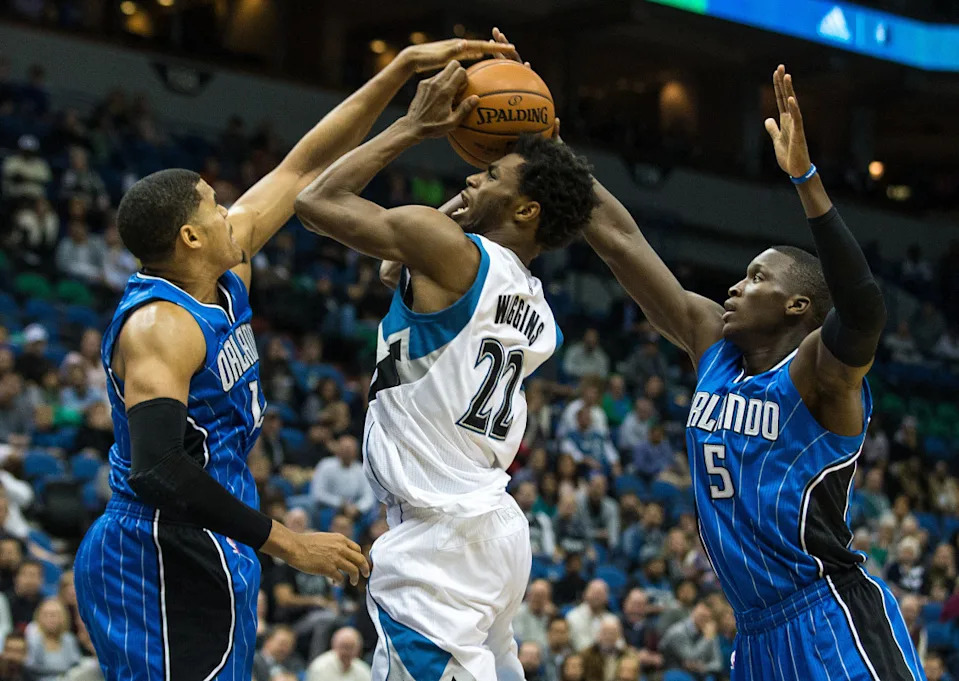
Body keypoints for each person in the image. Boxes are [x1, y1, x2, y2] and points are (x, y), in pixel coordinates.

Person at [71, 38, 501, 681]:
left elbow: (306, 166)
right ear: (190, 237)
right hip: (156, 547)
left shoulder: (223, 268)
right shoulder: (161, 326)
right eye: (215, 206)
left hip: (211, 536)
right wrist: (287, 542)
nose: (230, 211)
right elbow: (156, 465)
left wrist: (403, 82)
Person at [584, 64, 922, 680]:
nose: (736, 287)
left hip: (830, 619)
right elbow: (617, 237)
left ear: (798, 307)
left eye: (758, 277)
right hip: (756, 633)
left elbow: (866, 307)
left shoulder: (820, 372)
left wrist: (807, 181)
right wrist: (545, 141)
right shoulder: (713, 347)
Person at [294, 29, 594, 681]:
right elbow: (437, 294)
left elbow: (314, 202)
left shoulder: (447, 250)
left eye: (488, 173)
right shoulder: (536, 308)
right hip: (493, 532)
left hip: (439, 544)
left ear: (524, 206)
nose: (470, 173)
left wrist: (410, 127)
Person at [304, 626, 371, 681]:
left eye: (351, 647)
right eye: (344, 647)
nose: (347, 652)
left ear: (358, 650)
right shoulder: (320, 667)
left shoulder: (363, 670)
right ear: (334, 646)